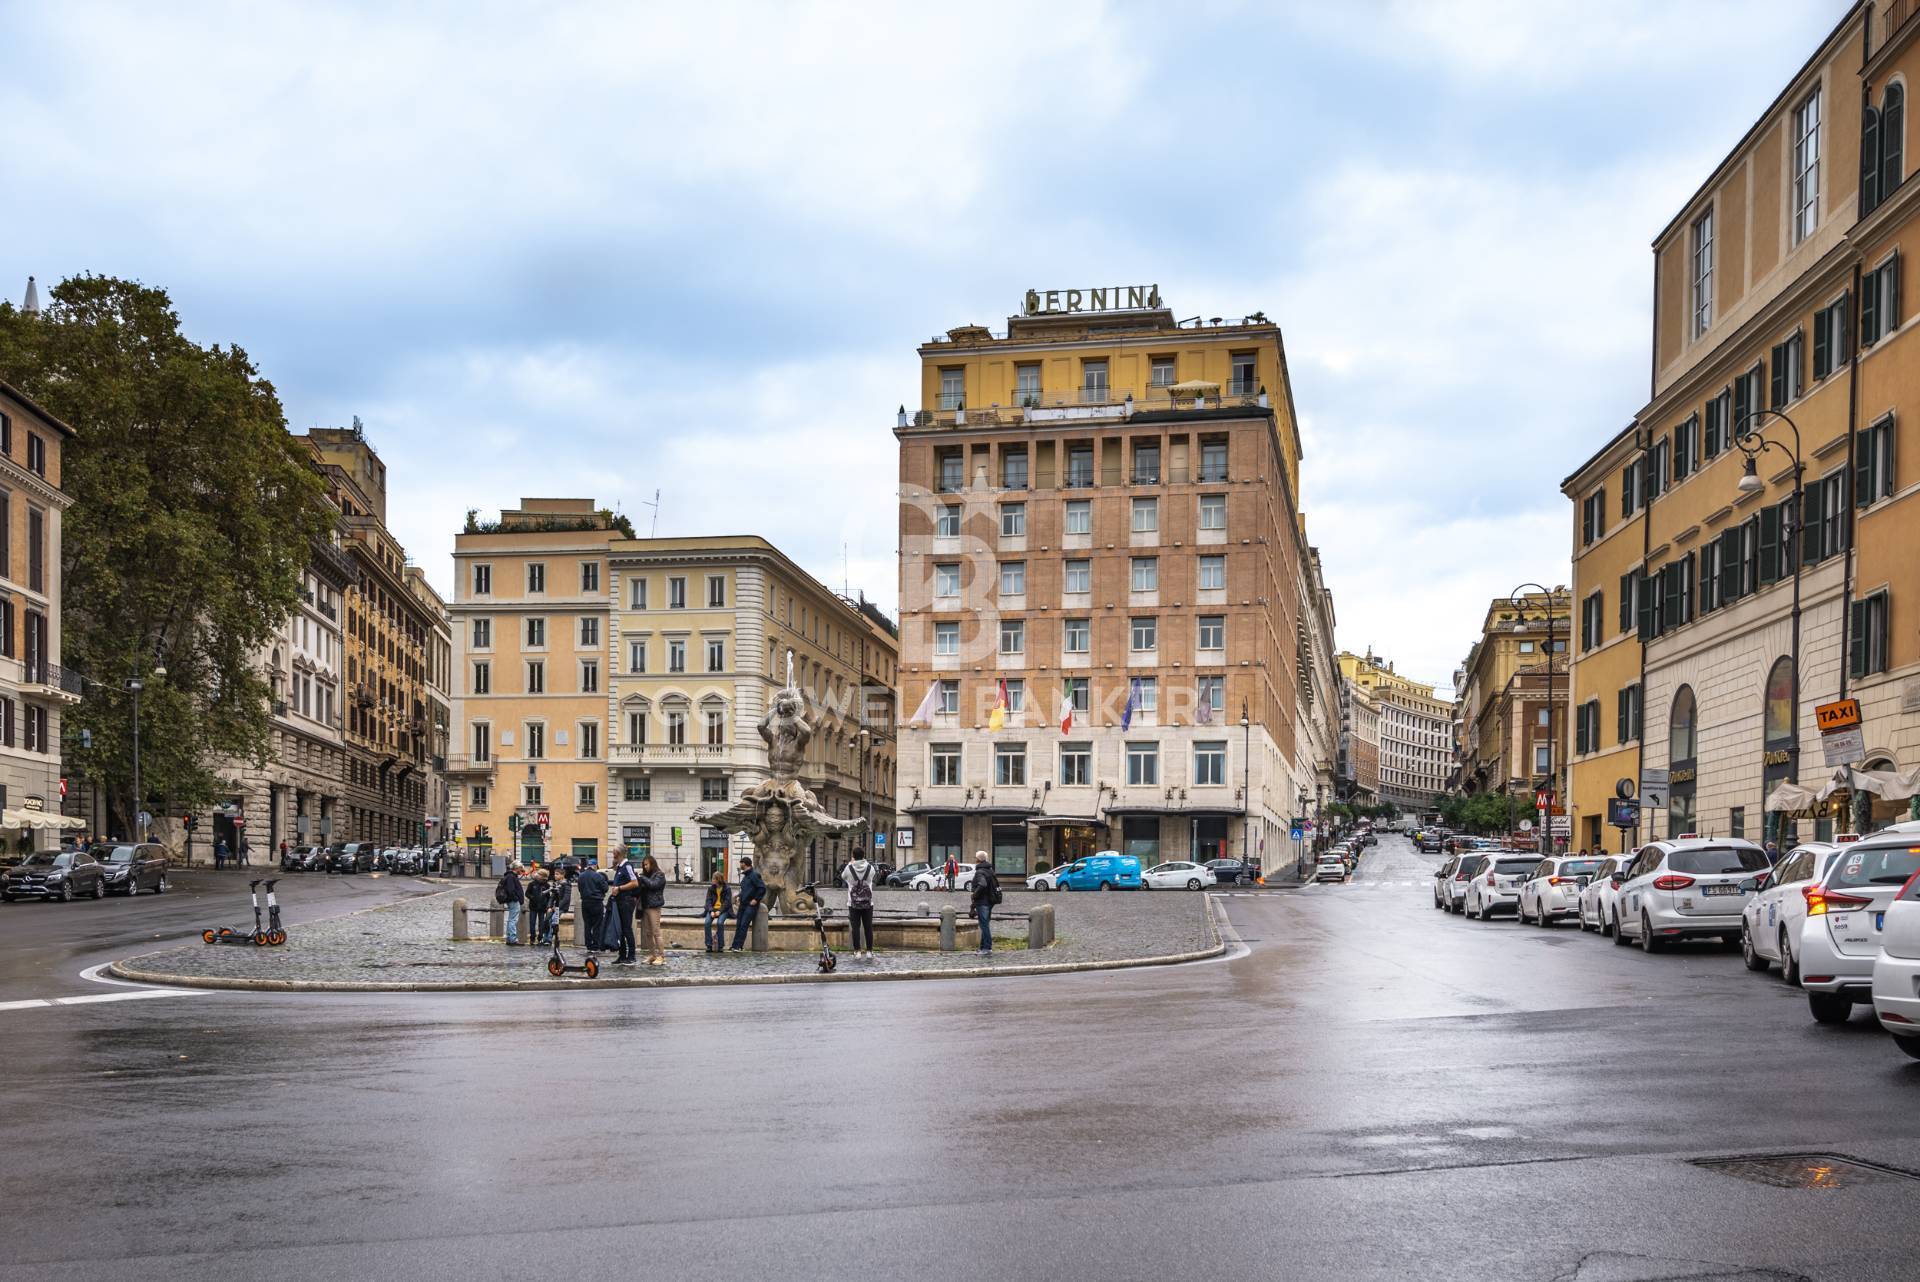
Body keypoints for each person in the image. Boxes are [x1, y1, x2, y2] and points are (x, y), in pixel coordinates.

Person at [842, 848, 878, 959]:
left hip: (853, 903)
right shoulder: (870, 868)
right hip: (868, 902)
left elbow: (843, 876)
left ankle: (857, 951)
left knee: (855, 927)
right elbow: (873, 876)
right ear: (863, 855)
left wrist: (850, 863)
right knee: (868, 927)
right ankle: (869, 951)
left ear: (853, 855)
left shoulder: (849, 868)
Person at [635, 855, 668, 966]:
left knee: (656, 932)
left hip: (654, 907)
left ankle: (661, 956)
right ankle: (652, 955)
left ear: (652, 864)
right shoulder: (645, 876)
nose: (645, 867)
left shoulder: (659, 875)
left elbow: (653, 885)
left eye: (646, 864)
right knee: (648, 933)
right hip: (645, 906)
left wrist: (642, 878)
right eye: (644, 865)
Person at [607, 852, 638, 965]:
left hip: (626, 901)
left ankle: (632, 955)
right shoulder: (620, 867)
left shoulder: (627, 866)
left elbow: (634, 883)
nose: (613, 855)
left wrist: (619, 888)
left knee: (626, 929)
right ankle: (622, 955)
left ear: (619, 854)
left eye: (614, 852)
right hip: (619, 901)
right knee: (619, 928)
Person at [730, 856, 765, 952]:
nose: (740, 865)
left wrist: (756, 899)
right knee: (739, 925)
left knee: (743, 925)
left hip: (750, 905)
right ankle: (735, 945)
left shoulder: (754, 875)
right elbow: (746, 890)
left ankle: (738, 946)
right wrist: (739, 896)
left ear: (744, 864)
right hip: (743, 904)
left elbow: (762, 888)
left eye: (741, 863)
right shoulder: (746, 876)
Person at [970, 851, 1001, 955]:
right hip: (990, 900)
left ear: (978, 859)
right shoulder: (990, 870)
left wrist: (974, 894)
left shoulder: (980, 872)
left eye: (975, 858)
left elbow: (982, 884)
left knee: (984, 925)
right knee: (985, 924)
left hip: (983, 901)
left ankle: (987, 948)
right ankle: (983, 947)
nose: (975, 860)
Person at [576, 860, 609, 954]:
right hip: (596, 902)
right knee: (597, 925)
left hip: (585, 902)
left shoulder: (581, 876)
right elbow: (605, 888)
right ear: (595, 866)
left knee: (587, 924)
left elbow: (579, 889)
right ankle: (595, 945)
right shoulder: (598, 876)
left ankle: (588, 945)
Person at [702, 868, 733, 953]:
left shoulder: (727, 889)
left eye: (714, 879)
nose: (712, 880)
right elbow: (708, 901)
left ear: (718, 880)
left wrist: (720, 911)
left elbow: (727, 902)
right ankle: (709, 945)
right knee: (707, 923)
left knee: (720, 923)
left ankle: (720, 946)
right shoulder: (711, 888)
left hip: (724, 910)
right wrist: (711, 911)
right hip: (713, 909)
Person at [496, 862, 525, 945]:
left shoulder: (510, 876)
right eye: (521, 868)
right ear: (516, 868)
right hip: (513, 901)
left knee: (511, 920)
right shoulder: (511, 877)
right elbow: (511, 890)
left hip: (511, 900)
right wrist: (516, 898)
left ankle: (509, 938)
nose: (522, 870)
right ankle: (512, 939)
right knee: (513, 920)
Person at [548, 866, 574, 947]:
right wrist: (549, 906)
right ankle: (547, 939)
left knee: (554, 920)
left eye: (557, 874)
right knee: (547, 919)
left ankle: (552, 938)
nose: (555, 876)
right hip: (555, 907)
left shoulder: (566, 884)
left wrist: (557, 907)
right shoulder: (556, 884)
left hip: (562, 908)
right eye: (555, 874)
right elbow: (552, 897)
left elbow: (566, 898)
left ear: (562, 875)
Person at [526, 867, 553, 944]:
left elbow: (548, 896)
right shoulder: (532, 884)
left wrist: (548, 905)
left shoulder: (546, 885)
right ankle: (532, 938)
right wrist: (532, 897)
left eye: (539, 874)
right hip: (533, 906)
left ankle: (540, 938)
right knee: (532, 923)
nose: (537, 875)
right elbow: (527, 893)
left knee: (541, 924)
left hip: (542, 907)